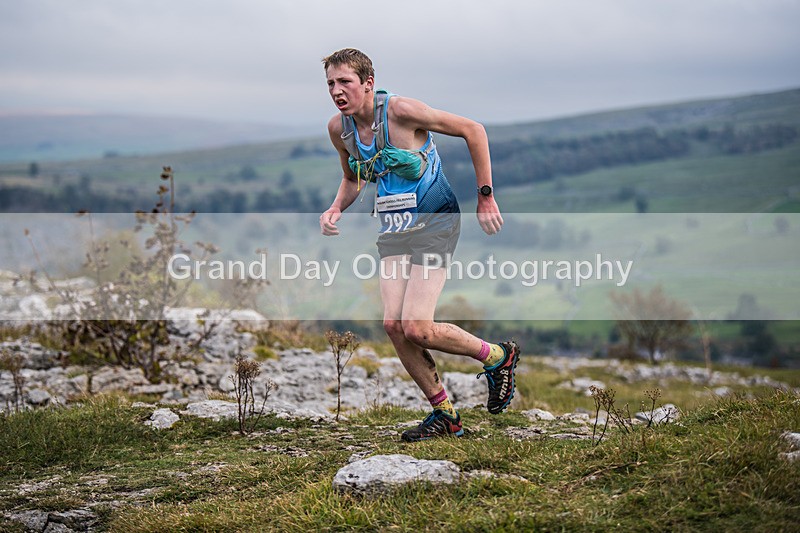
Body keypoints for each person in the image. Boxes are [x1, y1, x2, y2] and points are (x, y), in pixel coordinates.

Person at [319, 48, 520, 442]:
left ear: (368, 83)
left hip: (435, 219)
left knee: (417, 327)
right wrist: (335, 208)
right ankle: (446, 415)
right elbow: (353, 177)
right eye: (330, 83)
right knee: (394, 326)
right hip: (395, 227)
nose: (337, 91)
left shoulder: (401, 111)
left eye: (345, 82)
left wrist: (485, 195)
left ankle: (498, 357)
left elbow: (474, 130)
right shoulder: (338, 130)